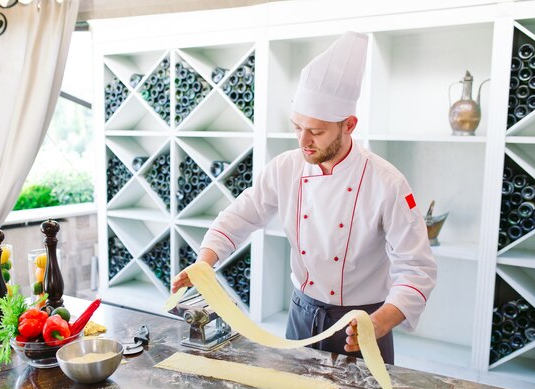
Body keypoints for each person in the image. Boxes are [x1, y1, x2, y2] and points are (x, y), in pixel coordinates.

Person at [171, 31, 437, 364]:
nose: (304, 140)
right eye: (297, 127)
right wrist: (204, 262)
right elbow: (241, 215)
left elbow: (417, 269)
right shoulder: (285, 168)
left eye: (317, 131)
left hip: (364, 323)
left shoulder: (387, 183)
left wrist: (380, 322)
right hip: (302, 316)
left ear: (349, 125)